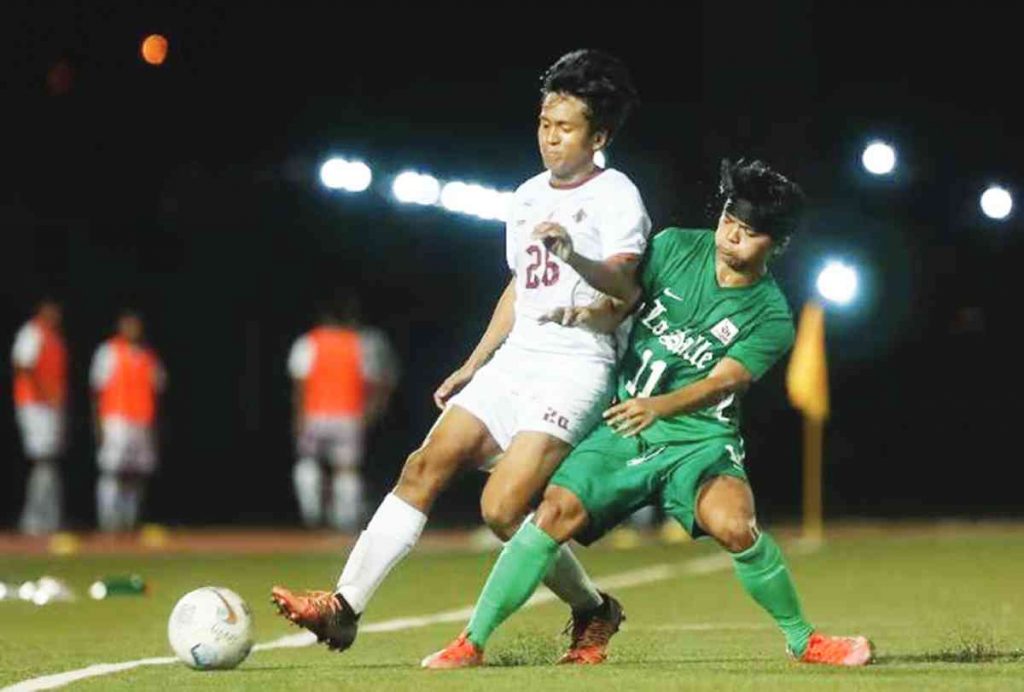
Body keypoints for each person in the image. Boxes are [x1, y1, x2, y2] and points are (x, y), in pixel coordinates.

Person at [271, 48, 650, 663]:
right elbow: (519, 287)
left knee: (502, 509)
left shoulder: (617, 197)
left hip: (577, 365)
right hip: (517, 359)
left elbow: (625, 288)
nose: (550, 139)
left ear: (599, 135)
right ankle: (345, 608)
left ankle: (592, 609)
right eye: (544, 125)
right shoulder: (526, 197)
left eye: (566, 128)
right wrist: (476, 361)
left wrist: (575, 256)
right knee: (424, 465)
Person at [422, 159, 873, 668]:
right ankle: (473, 641)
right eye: (729, 221)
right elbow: (624, 299)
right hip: (624, 427)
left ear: (777, 244)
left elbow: (722, 382)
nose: (731, 237)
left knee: (735, 524)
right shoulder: (676, 246)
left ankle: (803, 640)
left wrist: (658, 406)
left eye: (748, 234)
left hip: (697, 438)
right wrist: (590, 312)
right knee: (551, 514)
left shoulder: (771, 316)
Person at [288, 295, 398, 531]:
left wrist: (298, 416)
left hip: (315, 413)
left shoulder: (309, 342)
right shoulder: (358, 343)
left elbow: (300, 384)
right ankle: (344, 519)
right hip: (348, 414)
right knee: (347, 468)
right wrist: (371, 410)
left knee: (308, 461)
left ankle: (312, 513)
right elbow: (374, 380)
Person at [90, 310, 166, 531]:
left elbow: (158, 392)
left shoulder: (148, 356)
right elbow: (96, 390)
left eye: (136, 325)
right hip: (116, 419)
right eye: (128, 325)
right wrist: (99, 425)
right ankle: (108, 522)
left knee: (136, 473)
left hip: (142, 421)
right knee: (112, 470)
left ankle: (129, 521)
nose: (133, 330)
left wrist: (155, 427)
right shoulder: (108, 352)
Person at [11, 299, 68, 535]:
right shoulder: (31, 332)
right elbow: (22, 364)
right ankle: (33, 521)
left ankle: (49, 520)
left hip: (50, 407)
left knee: (49, 461)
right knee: (42, 459)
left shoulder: (54, 338)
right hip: (34, 404)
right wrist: (45, 394)